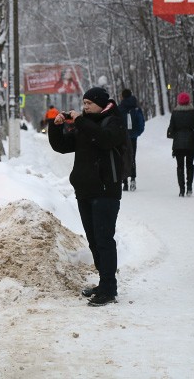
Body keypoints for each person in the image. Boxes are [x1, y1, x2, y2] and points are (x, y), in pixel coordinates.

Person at [47, 87, 128, 306]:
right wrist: (56, 127)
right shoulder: (86, 125)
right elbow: (63, 146)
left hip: (105, 192)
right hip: (85, 191)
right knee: (94, 241)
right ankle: (104, 282)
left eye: (89, 104)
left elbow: (105, 139)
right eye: (83, 104)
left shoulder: (113, 121)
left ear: (101, 104)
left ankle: (109, 289)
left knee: (104, 240)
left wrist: (81, 121)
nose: (85, 108)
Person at [168, 92, 194, 196]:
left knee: (180, 166)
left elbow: (171, 128)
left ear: (179, 101)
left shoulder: (175, 112)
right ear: (188, 101)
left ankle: (182, 189)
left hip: (178, 142)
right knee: (190, 165)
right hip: (191, 141)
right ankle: (189, 187)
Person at [118, 89, 145, 191]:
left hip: (122, 137)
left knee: (123, 157)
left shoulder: (120, 108)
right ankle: (133, 179)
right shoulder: (136, 107)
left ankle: (124, 182)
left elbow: (116, 122)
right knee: (132, 156)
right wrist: (138, 132)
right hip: (133, 136)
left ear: (122, 96)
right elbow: (141, 121)